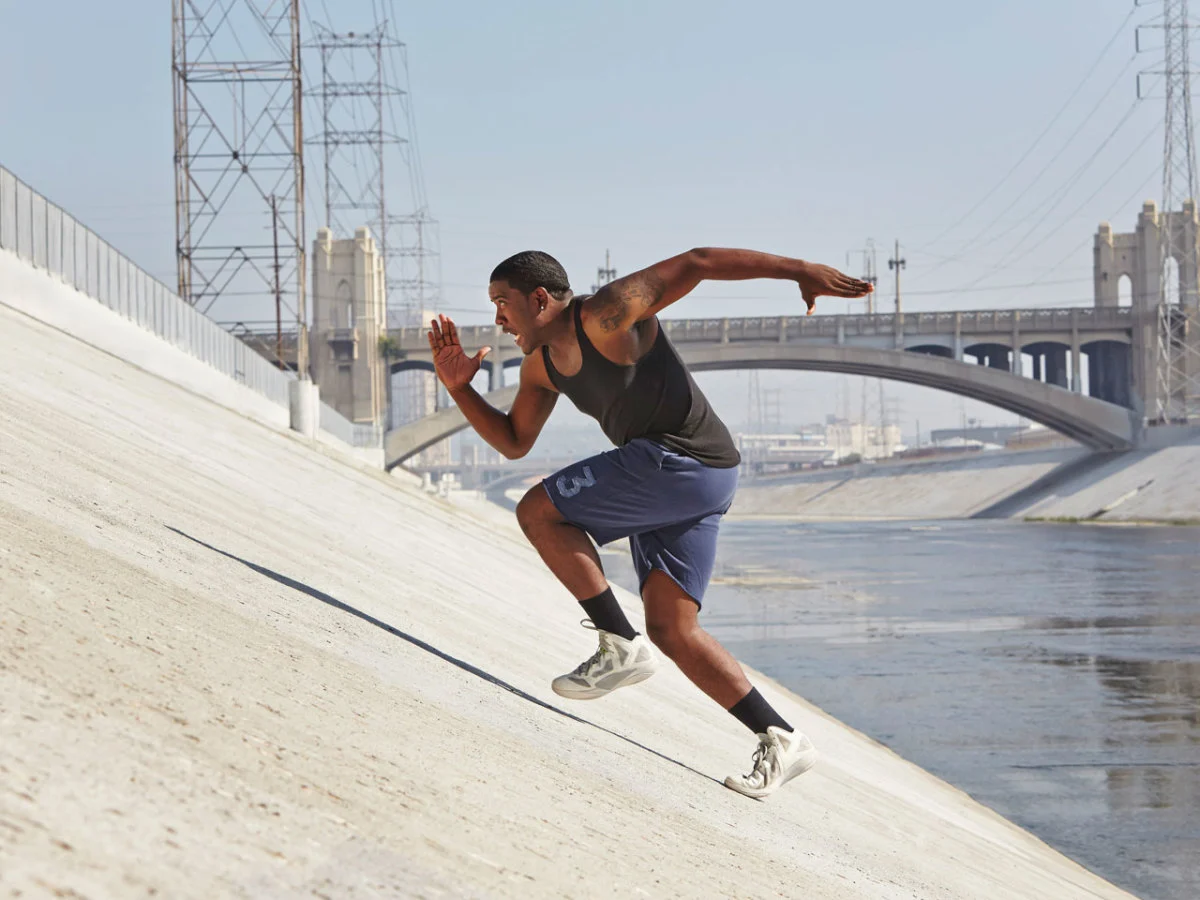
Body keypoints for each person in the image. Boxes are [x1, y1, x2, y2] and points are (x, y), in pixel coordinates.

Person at [427, 248, 872, 799]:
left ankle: (618, 644)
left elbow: (701, 261)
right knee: (672, 628)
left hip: (679, 461)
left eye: (502, 303)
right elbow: (515, 442)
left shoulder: (607, 315)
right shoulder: (539, 368)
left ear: (539, 299)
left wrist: (800, 272)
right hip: (702, 477)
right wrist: (459, 388)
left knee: (537, 510)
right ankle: (780, 736)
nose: (497, 318)